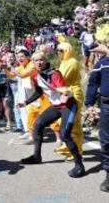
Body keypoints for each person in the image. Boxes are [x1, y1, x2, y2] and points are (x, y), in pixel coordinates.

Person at [19, 52, 85, 178]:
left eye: (41, 60)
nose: (39, 62)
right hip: (55, 107)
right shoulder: (35, 76)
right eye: (36, 60)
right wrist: (25, 102)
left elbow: (63, 88)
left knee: (65, 134)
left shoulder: (54, 74)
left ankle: (79, 165)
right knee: (37, 126)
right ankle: (36, 157)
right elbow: (39, 92)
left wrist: (65, 95)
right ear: (33, 62)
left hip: (68, 106)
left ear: (45, 61)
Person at [85, 37, 109, 192]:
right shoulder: (101, 64)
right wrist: (89, 104)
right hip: (107, 106)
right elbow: (93, 83)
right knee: (106, 140)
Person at [54, 42, 84, 161]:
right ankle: (69, 148)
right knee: (65, 122)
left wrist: (53, 75)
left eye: (61, 50)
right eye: (57, 50)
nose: (58, 53)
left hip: (74, 94)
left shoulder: (73, 62)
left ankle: (77, 151)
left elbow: (62, 77)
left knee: (73, 123)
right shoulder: (63, 62)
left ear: (67, 50)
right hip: (65, 94)